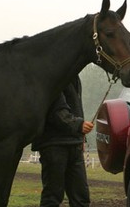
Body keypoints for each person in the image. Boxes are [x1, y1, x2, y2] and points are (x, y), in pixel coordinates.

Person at [32, 77, 94, 207]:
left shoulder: (74, 77)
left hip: (74, 144)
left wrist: (80, 136)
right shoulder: (53, 74)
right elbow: (56, 111)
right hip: (53, 145)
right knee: (53, 197)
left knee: (81, 197)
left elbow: (74, 108)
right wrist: (78, 125)